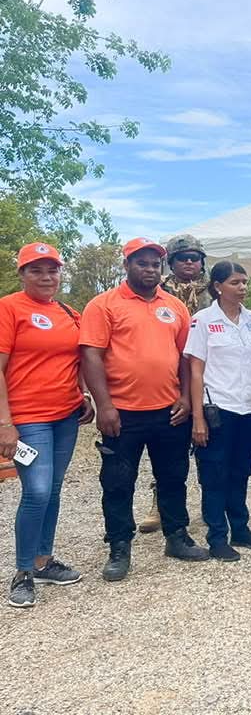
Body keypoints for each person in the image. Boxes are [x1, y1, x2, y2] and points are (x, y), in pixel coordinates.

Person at [81, 237, 208, 582]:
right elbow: (91, 355)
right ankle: (120, 546)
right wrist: (104, 404)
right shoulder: (103, 305)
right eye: (142, 263)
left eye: (155, 264)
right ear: (127, 266)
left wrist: (184, 396)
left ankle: (176, 536)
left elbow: (186, 356)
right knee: (118, 482)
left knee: (173, 477)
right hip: (122, 413)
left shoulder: (175, 307)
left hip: (169, 410)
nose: (150, 270)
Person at [2, 243, 94, 608]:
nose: (46, 277)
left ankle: (43, 560)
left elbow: (75, 362)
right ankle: (22, 571)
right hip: (27, 418)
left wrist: (83, 396)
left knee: (53, 490)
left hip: (65, 415)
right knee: (37, 492)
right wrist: (4, 423)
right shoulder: (8, 308)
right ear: (22, 274)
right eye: (36, 270)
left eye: (52, 270)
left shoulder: (69, 312)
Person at [184, 262, 251, 561]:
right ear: (218, 286)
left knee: (241, 471)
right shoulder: (203, 320)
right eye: (235, 282)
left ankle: (240, 528)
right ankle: (217, 537)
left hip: (250, 406)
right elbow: (196, 371)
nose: (243, 287)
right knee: (214, 474)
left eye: (245, 282)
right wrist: (197, 417)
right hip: (218, 408)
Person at [129, 233, 211, 536]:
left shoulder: (215, 289)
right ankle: (160, 505)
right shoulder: (157, 290)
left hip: (209, 376)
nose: (188, 262)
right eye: (181, 258)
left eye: (194, 257)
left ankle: (210, 502)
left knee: (207, 442)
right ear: (171, 262)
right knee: (167, 450)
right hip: (169, 379)